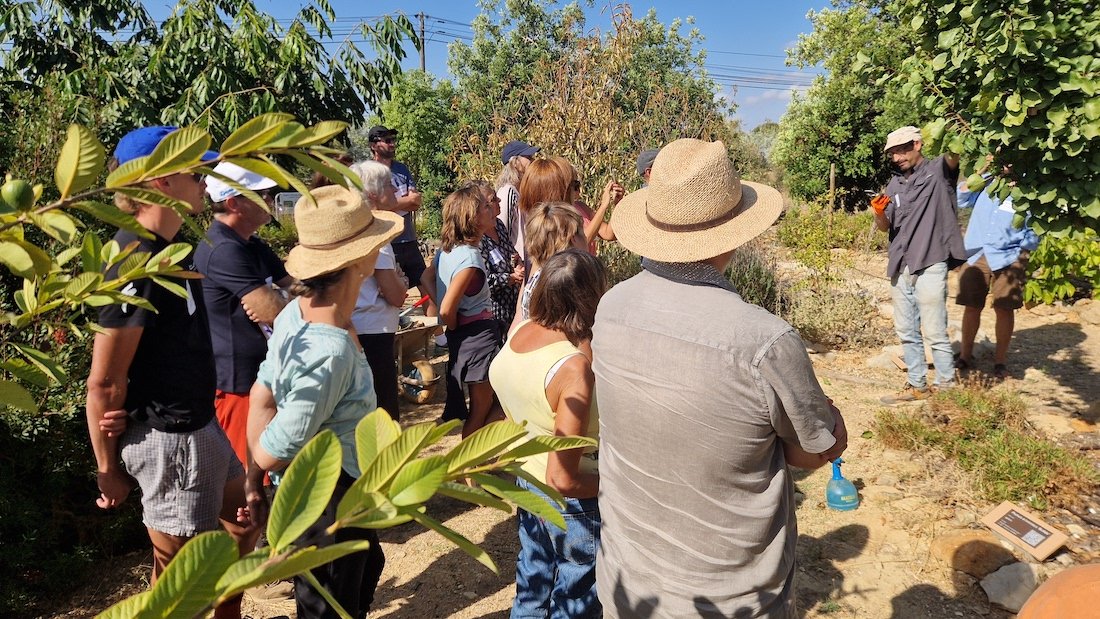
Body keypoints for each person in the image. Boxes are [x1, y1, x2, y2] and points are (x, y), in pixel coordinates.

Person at [592, 138, 847, 618]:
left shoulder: (611, 308)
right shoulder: (763, 340)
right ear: (733, 234)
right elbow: (815, 449)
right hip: (730, 598)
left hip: (628, 582)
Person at [85, 126, 254, 619]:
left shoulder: (171, 251)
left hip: (201, 428)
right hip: (171, 439)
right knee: (178, 589)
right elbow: (104, 380)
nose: (206, 180)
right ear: (159, 183)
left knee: (241, 529)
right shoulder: (134, 259)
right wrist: (107, 469)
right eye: (194, 170)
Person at [245, 184, 404, 619]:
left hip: (335, 486)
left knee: (366, 566)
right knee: (329, 604)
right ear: (356, 262)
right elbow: (276, 445)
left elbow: (262, 394)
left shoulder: (296, 311)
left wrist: (254, 483)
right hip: (326, 496)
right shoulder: (329, 349)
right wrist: (258, 475)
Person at [489, 248, 606, 618]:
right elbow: (563, 478)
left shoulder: (521, 332)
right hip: (573, 505)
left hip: (528, 484)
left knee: (532, 583)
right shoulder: (572, 369)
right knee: (575, 599)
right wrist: (614, 488)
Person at [195, 161, 295, 472]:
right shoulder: (222, 248)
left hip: (264, 376)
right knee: (251, 479)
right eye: (261, 194)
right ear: (232, 202)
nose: (269, 200)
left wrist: (281, 299)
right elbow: (275, 309)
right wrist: (281, 301)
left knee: (276, 471)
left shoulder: (251, 244)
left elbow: (297, 290)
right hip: (239, 384)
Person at [872, 125, 967, 404]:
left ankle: (946, 387)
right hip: (900, 263)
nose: (897, 158)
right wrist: (878, 213)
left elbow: (956, 150)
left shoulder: (940, 171)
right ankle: (917, 385)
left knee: (935, 329)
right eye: (892, 153)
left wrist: (952, 122)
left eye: (902, 150)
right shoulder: (894, 185)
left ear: (918, 144)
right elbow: (884, 226)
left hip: (931, 259)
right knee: (906, 330)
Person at [425, 185, 502, 436]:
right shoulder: (470, 260)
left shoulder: (447, 251)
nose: (492, 208)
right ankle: (468, 467)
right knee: (482, 408)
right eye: (485, 206)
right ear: (472, 217)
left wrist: (454, 318)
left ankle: (473, 463)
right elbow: (447, 310)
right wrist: (454, 321)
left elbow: (426, 279)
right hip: (477, 336)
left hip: (467, 336)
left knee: (483, 406)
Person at [955, 164, 1039, 380]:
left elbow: (1036, 224)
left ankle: (1000, 362)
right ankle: (965, 356)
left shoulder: (1028, 186)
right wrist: (983, 170)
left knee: (1004, 308)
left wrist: (1024, 251)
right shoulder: (986, 181)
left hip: (1010, 256)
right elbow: (961, 198)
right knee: (971, 305)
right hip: (977, 250)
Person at [349, 160, 410, 420]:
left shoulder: (353, 226)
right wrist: (401, 284)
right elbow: (394, 294)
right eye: (388, 185)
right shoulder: (376, 233)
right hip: (374, 332)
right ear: (372, 194)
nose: (395, 191)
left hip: (357, 328)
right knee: (384, 410)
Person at [368, 125, 426, 295]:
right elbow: (375, 207)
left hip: (409, 240)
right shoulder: (369, 172)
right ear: (373, 146)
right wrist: (406, 200)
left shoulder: (402, 169)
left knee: (427, 288)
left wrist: (390, 204)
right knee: (392, 294)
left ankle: (433, 322)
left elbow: (416, 202)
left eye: (393, 140)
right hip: (386, 243)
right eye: (387, 140)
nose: (392, 144)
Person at [511, 202, 586, 329]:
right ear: (573, 238)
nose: (586, 238)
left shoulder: (537, 276)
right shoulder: (564, 283)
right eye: (582, 233)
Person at [472, 180, 524, 335]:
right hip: (493, 316)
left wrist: (518, 262)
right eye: (493, 200)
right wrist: (511, 277)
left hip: (512, 308)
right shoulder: (476, 239)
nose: (499, 201)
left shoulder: (499, 225)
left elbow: (510, 252)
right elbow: (483, 281)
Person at [550, 156, 622, 251]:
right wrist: (603, 206)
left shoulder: (581, 207)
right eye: (575, 185)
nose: (579, 190)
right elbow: (583, 241)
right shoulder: (555, 215)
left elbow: (608, 233)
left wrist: (618, 204)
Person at [497, 140, 541, 259]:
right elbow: (501, 233)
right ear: (515, 163)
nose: (533, 161)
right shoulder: (508, 192)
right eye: (528, 157)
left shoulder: (519, 192)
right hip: (517, 268)